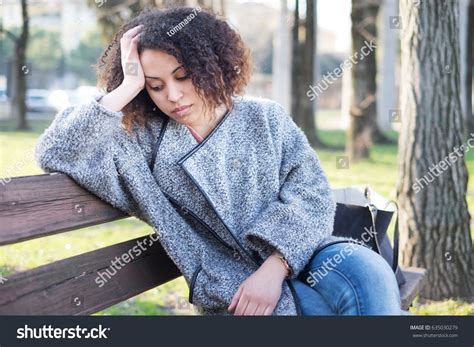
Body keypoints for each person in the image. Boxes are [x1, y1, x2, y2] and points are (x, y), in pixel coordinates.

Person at [35, 7, 401, 316]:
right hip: (232, 284)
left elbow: (311, 192)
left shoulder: (264, 118)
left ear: (211, 65)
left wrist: (276, 267)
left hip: (303, 252)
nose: (173, 95)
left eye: (183, 76)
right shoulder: (140, 144)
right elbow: (56, 151)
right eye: (155, 85)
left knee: (370, 273)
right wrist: (126, 87)